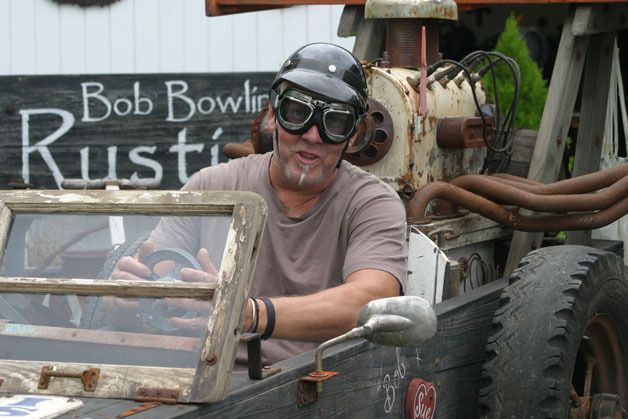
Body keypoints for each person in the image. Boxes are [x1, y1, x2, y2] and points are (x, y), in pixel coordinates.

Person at [113, 43, 408, 366]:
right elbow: (155, 279)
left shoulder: (371, 203)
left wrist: (251, 314)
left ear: (353, 135)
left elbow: (371, 301)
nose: (312, 135)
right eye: (297, 113)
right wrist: (127, 298)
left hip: (313, 384)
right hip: (204, 376)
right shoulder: (211, 187)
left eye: (334, 122)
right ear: (272, 115)